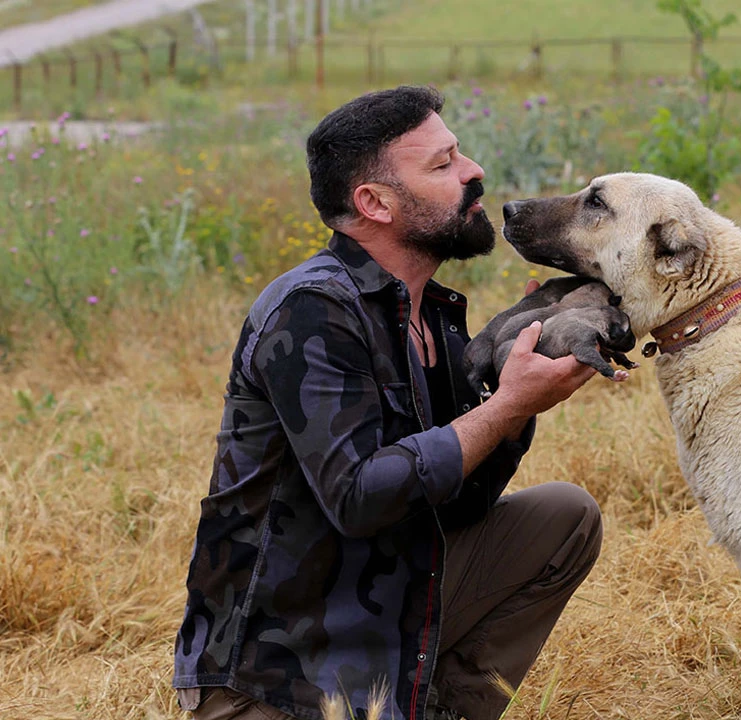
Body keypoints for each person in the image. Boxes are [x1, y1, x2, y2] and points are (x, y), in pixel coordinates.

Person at [173, 85, 604, 720]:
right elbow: (358, 495)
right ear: (373, 203)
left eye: (458, 153)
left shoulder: (435, 315)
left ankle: (441, 708)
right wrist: (507, 406)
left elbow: (463, 502)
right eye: (442, 164)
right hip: (281, 671)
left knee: (563, 517)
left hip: (388, 614)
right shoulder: (313, 310)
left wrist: (516, 391)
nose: (473, 171)